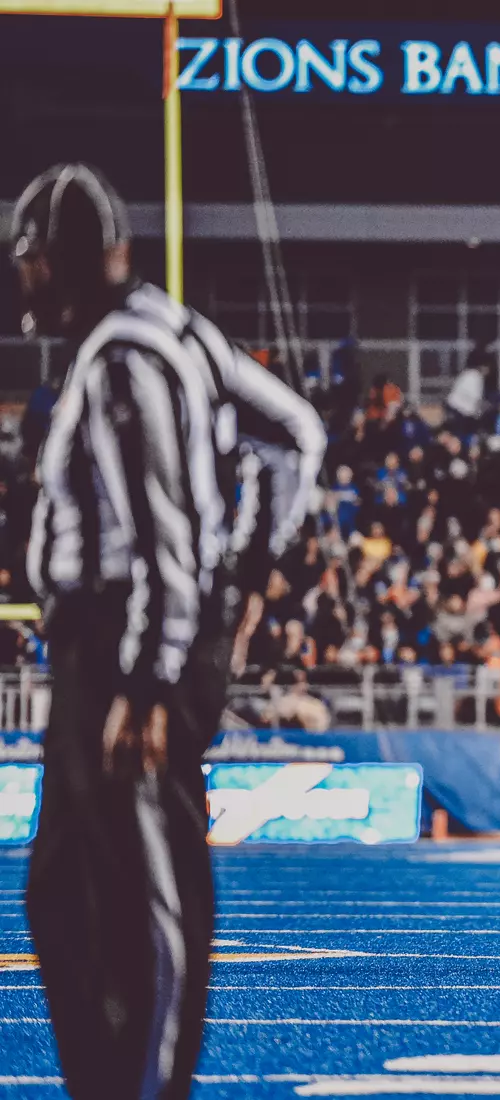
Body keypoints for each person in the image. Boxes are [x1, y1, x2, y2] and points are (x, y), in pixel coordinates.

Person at [10, 163, 286, 1099]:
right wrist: (245, 576)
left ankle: (146, 1088)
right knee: (60, 892)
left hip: (126, 640)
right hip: (125, 634)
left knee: (143, 888)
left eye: (31, 261)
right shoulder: (168, 331)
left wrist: (151, 674)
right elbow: (294, 434)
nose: (24, 281)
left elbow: (165, 530)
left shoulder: (126, 351)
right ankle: (110, 1083)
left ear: (55, 263)